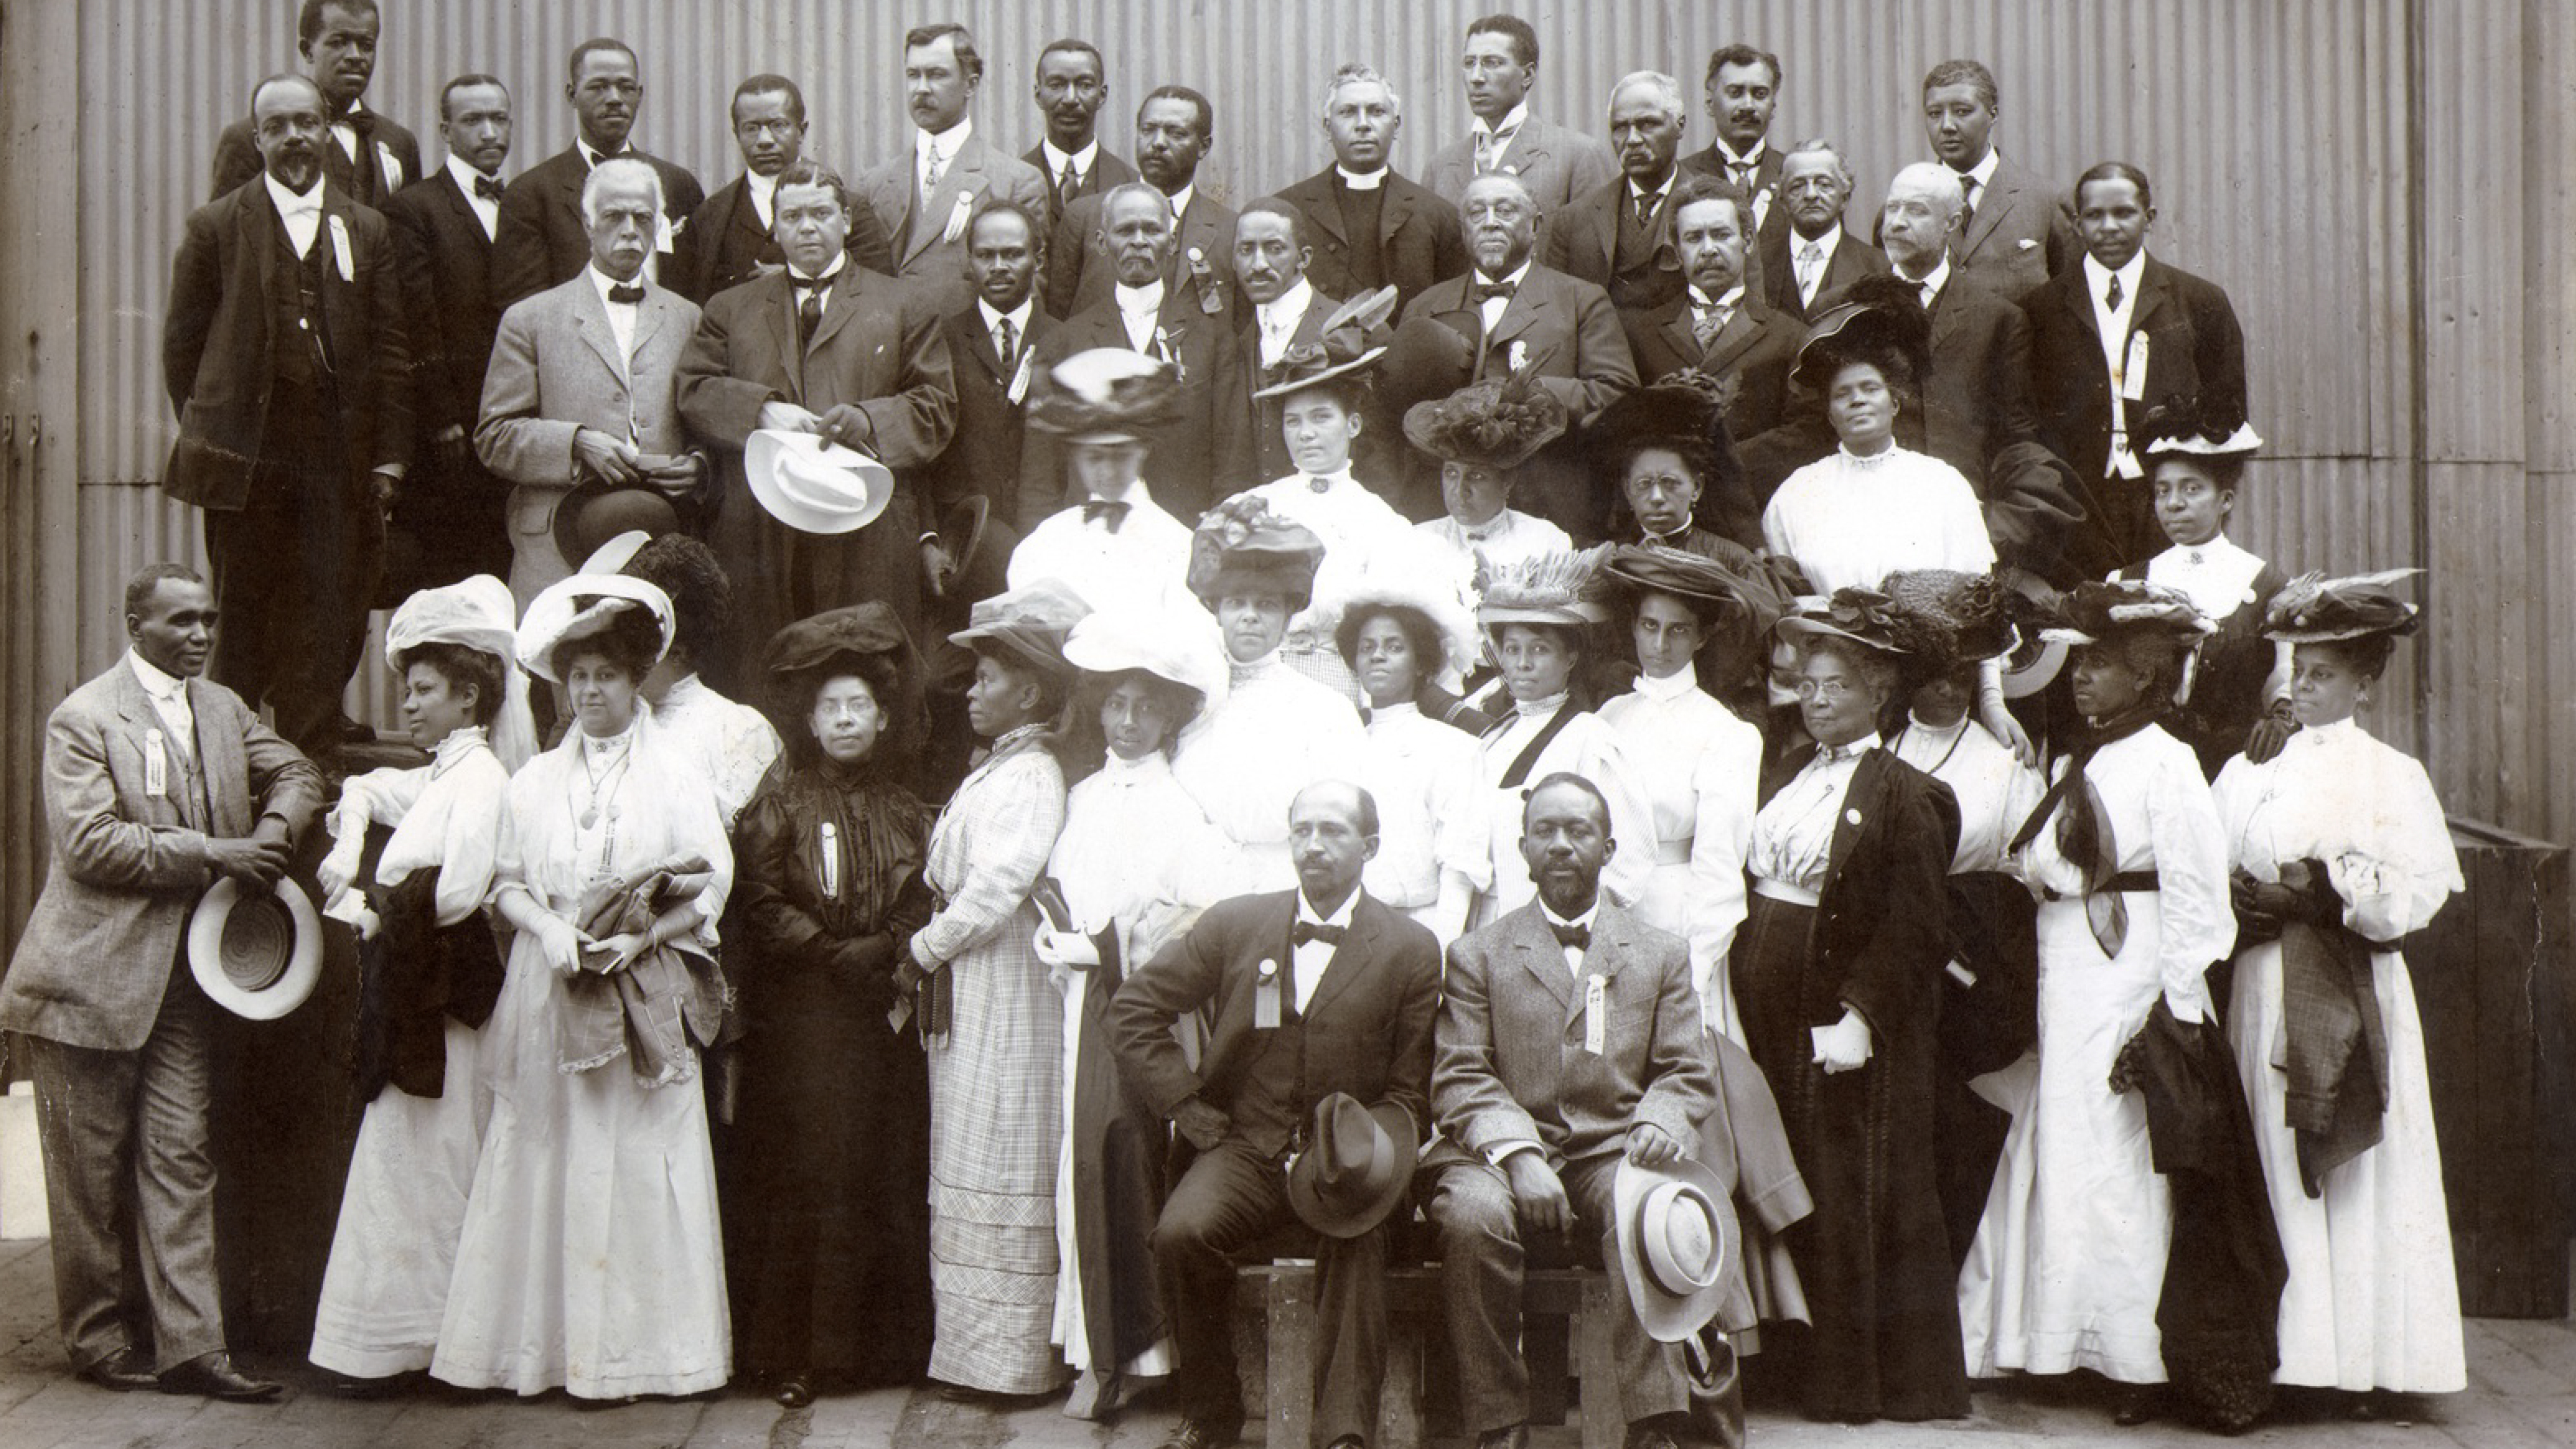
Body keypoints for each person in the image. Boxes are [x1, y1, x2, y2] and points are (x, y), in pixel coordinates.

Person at [0, 564, 324, 1402]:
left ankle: (193, 1348)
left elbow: (297, 771)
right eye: (180, 620)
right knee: (88, 1175)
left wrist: (272, 834)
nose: (200, 634)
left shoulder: (219, 707)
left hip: (187, 979)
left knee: (183, 1157)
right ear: (134, 622)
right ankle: (98, 1341)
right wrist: (218, 852)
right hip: (86, 979)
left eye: (208, 619)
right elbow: (92, 845)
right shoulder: (82, 718)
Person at [432, 572, 735, 1400]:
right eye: (578, 676)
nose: (591, 690)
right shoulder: (533, 783)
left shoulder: (676, 773)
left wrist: (643, 934)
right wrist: (550, 927)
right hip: (551, 977)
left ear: (636, 680)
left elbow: (709, 888)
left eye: (606, 674)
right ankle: (542, 1350)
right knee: (544, 1150)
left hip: (641, 982)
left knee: (637, 1156)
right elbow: (505, 881)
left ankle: (641, 1354)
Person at [1958, 579, 2236, 1426]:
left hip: (2130, 972)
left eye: (2103, 667)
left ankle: (2133, 1362)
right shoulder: (2084, 759)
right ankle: (2057, 1344)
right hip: (2066, 967)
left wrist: (2173, 1013)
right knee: (2067, 1149)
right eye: (2079, 665)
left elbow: (2197, 895)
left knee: (2121, 1159)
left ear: (2149, 678)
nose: (2081, 681)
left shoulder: (2167, 762)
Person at [1111, 780, 1443, 1449]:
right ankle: (1212, 1412)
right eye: (1302, 830)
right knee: (1181, 1234)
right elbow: (1133, 1009)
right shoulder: (1236, 923)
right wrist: (1188, 1107)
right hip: (1245, 1148)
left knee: (1360, 1238)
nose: (1314, 845)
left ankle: (1344, 1435)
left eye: (1334, 831)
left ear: (1370, 846)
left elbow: (1409, 1094)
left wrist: (1364, 1160)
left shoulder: (1410, 947)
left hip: (1346, 1158)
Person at [2212, 572, 2466, 1413]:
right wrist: (2242, 896)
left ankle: (2361, 1356)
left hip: (2349, 977)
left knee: (2354, 1168)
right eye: (2295, 668)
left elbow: (2414, 891)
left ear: (2363, 680)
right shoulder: (2249, 768)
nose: (2301, 686)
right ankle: (2289, 1355)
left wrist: (2328, 893)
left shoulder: (2389, 772)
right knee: (2270, 1148)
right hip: (2262, 978)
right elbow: (2204, 862)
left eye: (2321, 671)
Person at [1427, 772, 1719, 1449]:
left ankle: (1653, 1424)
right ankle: (1498, 1424)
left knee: (1646, 1208)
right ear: (1523, 850)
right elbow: (1461, 1073)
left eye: (1578, 830)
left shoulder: (1659, 953)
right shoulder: (1477, 954)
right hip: (1496, 1157)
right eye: (1545, 832)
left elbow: (1685, 1068)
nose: (1561, 845)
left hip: (1611, 1147)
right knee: (1472, 1217)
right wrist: (1520, 1156)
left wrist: (1660, 1119)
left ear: (1609, 848)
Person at [1734, 597, 1966, 1423]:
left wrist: (1860, 1017)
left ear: (1879, 693)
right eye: (1808, 682)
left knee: (1841, 1188)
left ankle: (1850, 1381)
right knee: (1778, 1177)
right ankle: (1783, 1366)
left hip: (1836, 1017)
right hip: (1766, 1013)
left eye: (1835, 684)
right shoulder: (1788, 769)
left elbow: (1915, 927)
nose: (1815, 697)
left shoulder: (1907, 793)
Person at [307, 575, 530, 1390]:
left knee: (432, 1159)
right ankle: (397, 1338)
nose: (409, 704)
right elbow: (366, 787)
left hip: (445, 994)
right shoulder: (440, 774)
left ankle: (434, 1339)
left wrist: (370, 908)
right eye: (408, 688)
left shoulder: (479, 783)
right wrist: (348, 842)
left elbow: (460, 892)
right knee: (401, 1156)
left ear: (469, 697)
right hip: (415, 983)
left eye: (425, 690)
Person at [166, 72, 411, 762]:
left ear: (325, 128)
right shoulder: (216, 227)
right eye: (277, 126)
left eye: (306, 122)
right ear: (258, 138)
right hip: (249, 464)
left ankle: (308, 777)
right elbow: (182, 352)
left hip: (337, 462)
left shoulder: (366, 227)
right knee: (241, 625)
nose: (295, 137)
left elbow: (393, 350)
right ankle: (228, 777)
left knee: (325, 621)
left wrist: (389, 456)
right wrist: (221, 435)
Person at [729, 603, 939, 1404]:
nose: (845, 719)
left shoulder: (908, 810)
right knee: (810, 1172)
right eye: (831, 708)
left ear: (882, 718)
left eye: (859, 706)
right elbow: (758, 897)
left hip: (880, 1012)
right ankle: (798, 1353)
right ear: (810, 721)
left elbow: (926, 896)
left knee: (876, 1168)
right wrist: (825, 952)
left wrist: (884, 946)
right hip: (806, 1018)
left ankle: (881, 1351)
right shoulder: (779, 804)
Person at [1034, 605, 1231, 1416]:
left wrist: (1108, 949)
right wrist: (1064, 940)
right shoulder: (1082, 795)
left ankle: (1143, 1353)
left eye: (1143, 707)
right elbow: (1057, 885)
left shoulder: (1178, 807)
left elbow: (1197, 916)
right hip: (1081, 998)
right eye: (1115, 704)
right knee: (1082, 1168)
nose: (1125, 720)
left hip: (1138, 1010)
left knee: (1124, 1156)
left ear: (1170, 717)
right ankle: (1098, 1349)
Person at [904, 582, 1086, 1401]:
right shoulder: (1001, 768)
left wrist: (924, 947)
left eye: (987, 678)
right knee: (971, 1141)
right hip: (977, 986)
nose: (972, 691)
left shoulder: (1034, 773)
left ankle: (1011, 1361)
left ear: (1034, 692)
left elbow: (998, 884)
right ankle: (973, 1355)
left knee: (1004, 1144)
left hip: (1006, 984)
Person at [675, 155, 960, 658]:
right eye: (792, 217)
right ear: (775, 226)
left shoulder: (902, 305)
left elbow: (936, 406)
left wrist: (868, 419)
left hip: (862, 516)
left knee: (864, 669)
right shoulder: (729, 307)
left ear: (846, 221)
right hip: (760, 525)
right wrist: (760, 410)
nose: (807, 228)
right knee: (760, 669)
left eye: (822, 214)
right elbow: (694, 389)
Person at [1758, 284, 2035, 762]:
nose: (1857, 402)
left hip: (1926, 696)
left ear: (1895, 402)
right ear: (1828, 412)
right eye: (1843, 395)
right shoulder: (1795, 495)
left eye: (1869, 389)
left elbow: (1981, 609)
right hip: (1838, 703)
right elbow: (1787, 620)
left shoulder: (1942, 485)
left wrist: (1990, 701)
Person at [1871, 569, 2045, 1265]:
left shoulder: (2003, 763)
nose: (1947, 688)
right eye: (1932, 673)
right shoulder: (1880, 752)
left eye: (1960, 674)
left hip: (1969, 963)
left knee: (1958, 1117)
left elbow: (2020, 875)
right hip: (1888, 965)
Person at [476, 158, 706, 611]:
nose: (629, 230)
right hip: (558, 543)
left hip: (657, 538)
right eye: (613, 216)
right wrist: (577, 442)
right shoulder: (531, 318)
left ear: (658, 224)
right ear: (586, 223)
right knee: (561, 670)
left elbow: (704, 423)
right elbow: (494, 437)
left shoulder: (688, 317)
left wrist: (699, 465)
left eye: (642, 218)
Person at [2026, 161, 2250, 577]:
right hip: (2077, 504)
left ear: (2148, 218)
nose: (2108, 226)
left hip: (2165, 499)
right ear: (2076, 224)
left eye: (2123, 213)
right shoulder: (2040, 309)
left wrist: (2200, 500)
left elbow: (2230, 413)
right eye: (2094, 215)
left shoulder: (2199, 300)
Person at [1399, 171, 1640, 538]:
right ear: (1464, 229)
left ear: (1536, 224)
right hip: (1448, 512)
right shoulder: (1425, 306)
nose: (1491, 222)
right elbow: (1397, 411)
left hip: (1550, 503)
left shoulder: (1581, 299)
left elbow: (1618, 395)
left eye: (1506, 210)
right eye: (1477, 213)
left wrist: (1532, 393)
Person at [1597, 546, 1766, 1038]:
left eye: (1678, 630)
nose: (1660, 644)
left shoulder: (1724, 731)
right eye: (1650, 626)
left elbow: (1718, 868)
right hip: (1607, 911)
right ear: (1633, 627)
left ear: (1702, 636)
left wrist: (1694, 970)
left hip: (1675, 913)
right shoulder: (1609, 716)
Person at [1172, 497, 1369, 899]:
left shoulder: (1324, 708)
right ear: (1218, 613)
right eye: (1236, 604)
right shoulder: (1188, 703)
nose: (1249, 616)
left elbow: (1338, 814)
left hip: (1282, 883)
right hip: (1189, 879)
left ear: (1286, 620)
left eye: (1265, 605)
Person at [1025, 183, 1254, 522]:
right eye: (1125, 230)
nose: (1139, 241)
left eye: (1152, 230)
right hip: (1090, 540)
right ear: (1103, 243)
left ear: (1173, 241)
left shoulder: (1213, 340)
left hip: (1181, 537)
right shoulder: (1064, 343)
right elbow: (1039, 479)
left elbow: (1232, 464)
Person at [1464, 546, 1657, 929]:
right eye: (1512, 649)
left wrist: (1574, 930)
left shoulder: (1591, 739)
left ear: (1570, 657)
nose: (1522, 663)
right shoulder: (1493, 740)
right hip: (1487, 926)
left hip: (1556, 931)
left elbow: (1629, 857)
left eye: (1539, 649)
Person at [380, 74, 517, 597]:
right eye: (473, 120)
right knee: (450, 581)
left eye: (499, 119)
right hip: (450, 439)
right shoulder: (414, 208)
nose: (489, 132)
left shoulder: (522, 201)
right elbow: (416, 321)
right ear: (445, 129)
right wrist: (442, 420)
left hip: (509, 426)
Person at [1245, 291, 1415, 700]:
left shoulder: (1380, 522)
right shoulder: (1257, 506)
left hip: (1335, 679)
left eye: (1321, 418)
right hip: (1259, 675)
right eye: (1293, 421)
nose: (1305, 434)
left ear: (1353, 424)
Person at [2117, 407, 2294, 776]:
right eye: (2163, 491)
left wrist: (2282, 717)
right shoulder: (2127, 580)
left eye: (2191, 489)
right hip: (2147, 769)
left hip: (2235, 768)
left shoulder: (2267, 583)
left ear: (2225, 500)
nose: (2174, 503)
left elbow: (2284, 673)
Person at [491, 37, 704, 309]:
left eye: (626, 88)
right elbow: (526, 309)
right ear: (572, 95)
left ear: (640, 95)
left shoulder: (678, 184)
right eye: (598, 87)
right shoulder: (531, 193)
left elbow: (697, 289)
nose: (615, 99)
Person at [856, 22, 1051, 316]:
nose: (921, 89)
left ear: (970, 84)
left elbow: (1030, 296)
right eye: (913, 75)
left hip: (968, 353)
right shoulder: (873, 183)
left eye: (936, 75)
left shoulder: (1016, 181)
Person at [1336, 576, 1486, 944]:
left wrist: (1441, 948)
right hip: (1342, 924)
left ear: (1421, 664)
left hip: (1420, 924)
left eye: (1394, 647)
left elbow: (1460, 862)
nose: (1377, 656)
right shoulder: (1340, 741)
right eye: (1367, 646)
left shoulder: (1452, 746)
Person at [669, 75, 895, 303]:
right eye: (751, 128)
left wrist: (795, 281)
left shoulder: (851, 209)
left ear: (802, 131)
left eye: (778, 125)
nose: (765, 140)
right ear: (736, 134)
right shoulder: (710, 218)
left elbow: (879, 293)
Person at [1007, 348, 1200, 613]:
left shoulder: (1178, 545)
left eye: (1121, 456)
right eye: (1094, 457)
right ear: (1075, 455)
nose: (1108, 472)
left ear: (1143, 449)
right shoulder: (1044, 544)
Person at [1620, 176, 1806, 449]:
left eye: (1721, 235)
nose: (1708, 250)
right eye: (1694, 238)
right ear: (1678, 252)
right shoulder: (1643, 334)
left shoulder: (1788, 336)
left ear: (1748, 241)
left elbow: (1799, 434)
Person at [616, 533, 783, 828]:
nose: (624, 664)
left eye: (639, 649)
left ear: (678, 652)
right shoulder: (613, 721)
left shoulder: (738, 729)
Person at [1276, 64, 1469, 311]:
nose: (1363, 125)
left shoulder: (1439, 216)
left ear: (1396, 125)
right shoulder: (1289, 210)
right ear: (1327, 127)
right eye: (1348, 112)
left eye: (1377, 112)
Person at [1047, 86, 1238, 321]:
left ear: (1204, 146)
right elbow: (1058, 317)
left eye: (1176, 133)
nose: (1158, 143)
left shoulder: (1229, 228)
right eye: (1148, 130)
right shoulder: (1085, 215)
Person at [924, 199, 1055, 532]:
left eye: (1012, 254)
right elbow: (925, 451)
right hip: (965, 536)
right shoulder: (940, 341)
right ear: (970, 263)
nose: (998, 266)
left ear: (1038, 261)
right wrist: (930, 537)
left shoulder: (1065, 340)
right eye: (985, 255)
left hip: (1043, 531)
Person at [209, 0, 420, 206]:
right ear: (307, 50)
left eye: (366, 46)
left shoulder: (399, 143)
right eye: (338, 43)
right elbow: (228, 233)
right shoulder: (247, 138)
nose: (355, 56)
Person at [1422, 14, 1616, 221]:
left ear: (1528, 75)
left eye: (1492, 63)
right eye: (1469, 63)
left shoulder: (1579, 156)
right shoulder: (1439, 168)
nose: (1476, 77)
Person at [1913, 58, 2073, 298]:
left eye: (1962, 112)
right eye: (1935, 113)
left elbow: (2071, 295)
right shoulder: (1905, 204)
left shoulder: (2047, 201)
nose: (1947, 126)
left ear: (1993, 114)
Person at [1543, 70, 1692, 313]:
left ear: (1680, 125)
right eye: (1621, 127)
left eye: (1648, 124)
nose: (1632, 140)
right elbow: (1556, 318)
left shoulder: (1716, 208)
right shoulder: (1573, 220)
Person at [1404, 373, 1576, 580]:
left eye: (1476, 476)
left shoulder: (1544, 541)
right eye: (1451, 473)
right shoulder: (1418, 540)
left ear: (1507, 481)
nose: (1459, 491)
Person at [1594, 375, 1763, 560]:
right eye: (1643, 484)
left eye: (1670, 483)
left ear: (1697, 487)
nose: (1657, 498)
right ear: (1627, 491)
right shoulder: (1609, 561)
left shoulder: (1733, 560)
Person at [1758, 140, 1890, 322]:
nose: (1811, 195)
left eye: (1824, 184)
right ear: (1783, 202)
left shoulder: (1879, 266)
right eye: (1798, 186)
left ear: (1845, 198)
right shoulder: (1758, 265)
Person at [1022, 38, 1137, 234]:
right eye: (1056, 85)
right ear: (1038, 94)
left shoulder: (1132, 186)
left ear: (1102, 95)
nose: (1070, 99)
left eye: (1084, 85)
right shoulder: (1014, 183)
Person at [1678, 43, 1787, 239]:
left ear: (1774, 106)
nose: (1748, 106)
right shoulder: (1682, 176)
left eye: (1760, 94)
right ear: (1710, 104)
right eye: (1735, 93)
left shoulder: (1792, 176)